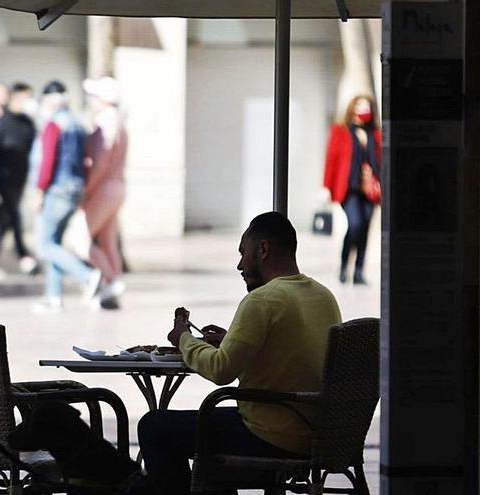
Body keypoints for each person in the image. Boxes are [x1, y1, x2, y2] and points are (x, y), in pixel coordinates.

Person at [137, 212, 342, 494]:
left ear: (263, 249)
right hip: (315, 435)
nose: (239, 265)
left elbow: (221, 370)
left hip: (269, 436)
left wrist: (183, 338)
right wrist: (231, 341)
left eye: (243, 253)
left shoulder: (262, 300)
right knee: (207, 434)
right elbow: (292, 351)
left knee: (155, 426)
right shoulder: (323, 296)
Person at [32, 80, 101, 312]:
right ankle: (53, 297)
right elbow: (87, 159)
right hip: (75, 188)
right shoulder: (78, 124)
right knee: (55, 242)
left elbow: (47, 160)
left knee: (45, 244)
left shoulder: (54, 124)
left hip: (57, 189)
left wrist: (39, 190)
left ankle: (87, 275)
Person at [0, 82, 38, 275]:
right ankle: (23, 255)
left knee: (7, 219)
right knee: (13, 215)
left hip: (20, 178)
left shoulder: (28, 123)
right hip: (2, 178)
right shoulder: (1, 121)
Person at [323, 95, 382, 285]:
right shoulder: (340, 131)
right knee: (355, 224)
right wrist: (326, 186)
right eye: (360, 105)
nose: (365, 109)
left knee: (365, 228)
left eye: (368, 106)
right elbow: (331, 160)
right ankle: (343, 267)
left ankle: (358, 272)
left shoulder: (375, 133)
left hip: (370, 190)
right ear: (352, 107)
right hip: (349, 189)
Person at [81, 77, 128, 308]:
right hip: (117, 186)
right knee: (108, 240)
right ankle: (112, 285)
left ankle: (111, 279)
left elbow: (100, 162)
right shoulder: (119, 120)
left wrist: (87, 190)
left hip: (104, 187)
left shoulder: (105, 121)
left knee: (78, 238)